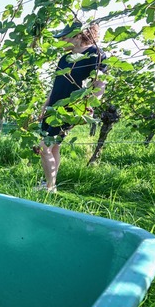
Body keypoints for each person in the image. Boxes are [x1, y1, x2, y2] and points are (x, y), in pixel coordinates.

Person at [37, 20, 107, 192]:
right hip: (54, 107)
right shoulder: (64, 58)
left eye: (63, 38)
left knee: (43, 146)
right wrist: (45, 106)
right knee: (54, 146)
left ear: (77, 36)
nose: (61, 41)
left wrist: (89, 106)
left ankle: (50, 187)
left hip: (70, 108)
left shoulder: (95, 54)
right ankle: (50, 184)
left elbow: (100, 85)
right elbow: (56, 85)